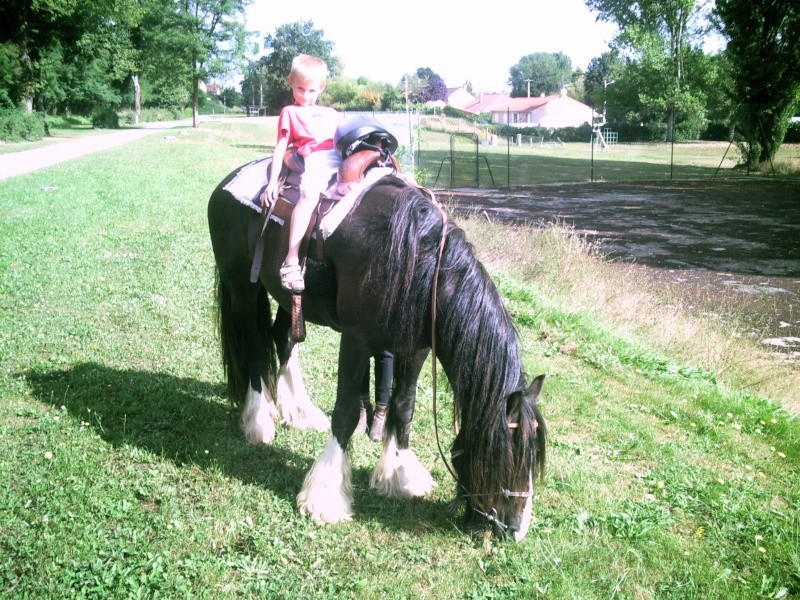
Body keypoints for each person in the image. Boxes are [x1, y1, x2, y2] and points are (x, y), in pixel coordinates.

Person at [265, 54, 341, 292]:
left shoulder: (331, 113)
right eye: (300, 89)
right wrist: (271, 182)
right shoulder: (289, 112)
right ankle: (291, 260)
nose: (306, 96)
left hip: (339, 155)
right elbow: (280, 146)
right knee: (309, 195)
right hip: (314, 158)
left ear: (322, 88)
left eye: (312, 91)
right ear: (290, 83)